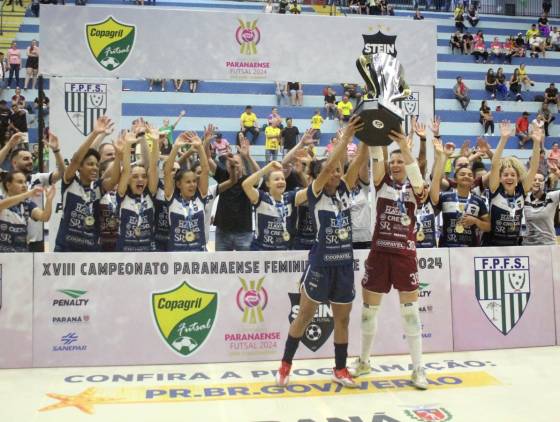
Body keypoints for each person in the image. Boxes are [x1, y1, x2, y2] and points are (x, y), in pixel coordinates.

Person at [276, 117, 367, 388]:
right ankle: (285, 365)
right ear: (320, 176)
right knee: (304, 316)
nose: (337, 174)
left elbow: (360, 159)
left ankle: (339, 369)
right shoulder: (315, 193)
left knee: (343, 318)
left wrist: (369, 135)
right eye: (332, 171)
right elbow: (327, 166)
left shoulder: (345, 189)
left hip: (344, 266)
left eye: (340, 170)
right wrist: (345, 138)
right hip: (320, 264)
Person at [350, 127, 428, 390]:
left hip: (405, 256)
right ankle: (363, 361)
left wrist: (404, 146)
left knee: (411, 315)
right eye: (392, 161)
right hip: (380, 253)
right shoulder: (381, 184)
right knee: (368, 313)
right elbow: (376, 158)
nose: (395, 164)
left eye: (399, 162)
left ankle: (418, 369)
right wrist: (375, 128)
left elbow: (415, 172)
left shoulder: (417, 189)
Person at [54, 116, 118, 252]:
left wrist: (120, 154)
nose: (95, 167)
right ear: (80, 167)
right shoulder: (70, 182)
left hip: (91, 249)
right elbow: (77, 159)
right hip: (66, 247)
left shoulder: (98, 188)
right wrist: (95, 133)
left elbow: (113, 180)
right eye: (90, 164)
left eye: (96, 165)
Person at [482, 121, 542, 246]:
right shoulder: (495, 188)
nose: (509, 178)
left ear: (518, 177)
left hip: (514, 245)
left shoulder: (522, 190)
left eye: (513, 175)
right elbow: (494, 164)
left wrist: (536, 143)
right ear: (500, 178)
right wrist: (504, 139)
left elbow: (534, 167)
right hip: (491, 244)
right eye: (506, 175)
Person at [430, 140, 490, 247]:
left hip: (470, 250)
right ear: (455, 178)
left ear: (473, 180)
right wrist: (443, 156)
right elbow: (436, 177)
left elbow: (489, 226)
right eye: (462, 174)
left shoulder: (478, 199)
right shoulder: (445, 195)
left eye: (469, 175)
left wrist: (476, 221)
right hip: (447, 248)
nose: (466, 176)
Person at [242, 160, 308, 251]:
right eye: (276, 179)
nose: (281, 181)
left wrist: (307, 166)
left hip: (283, 254)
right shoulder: (261, 197)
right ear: (268, 183)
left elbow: (312, 190)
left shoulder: (291, 197)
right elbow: (246, 185)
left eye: (283, 179)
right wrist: (267, 168)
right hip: (261, 252)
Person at [115, 126, 159, 252]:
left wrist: (155, 142)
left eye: (144, 176)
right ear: (128, 180)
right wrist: (128, 145)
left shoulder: (150, 193)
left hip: (146, 252)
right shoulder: (122, 194)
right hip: (124, 251)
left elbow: (153, 167)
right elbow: (126, 170)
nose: (140, 179)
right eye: (135, 177)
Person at [164, 132, 210, 251]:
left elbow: (205, 170)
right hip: (176, 254)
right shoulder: (172, 198)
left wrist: (200, 147)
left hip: (198, 253)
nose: (193, 185)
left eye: (194, 181)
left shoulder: (200, 197)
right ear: (179, 184)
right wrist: (176, 147)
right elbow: (167, 171)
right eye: (188, 182)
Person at [0, 172, 55, 252]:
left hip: (22, 255)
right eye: (20, 182)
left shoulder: (27, 203)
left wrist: (49, 201)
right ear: (8, 185)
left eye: (25, 182)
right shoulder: (2, 200)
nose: (24, 185)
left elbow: (44, 217)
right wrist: (27, 194)